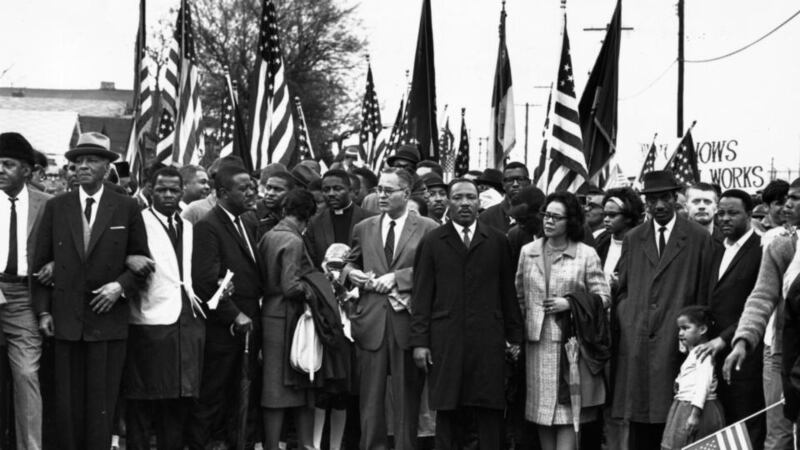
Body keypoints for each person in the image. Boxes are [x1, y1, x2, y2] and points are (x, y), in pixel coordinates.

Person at [33, 132, 152, 450]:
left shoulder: (126, 207)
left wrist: (119, 287)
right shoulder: (57, 206)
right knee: (66, 404)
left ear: (106, 168)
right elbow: (40, 263)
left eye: (92, 160)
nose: (83, 166)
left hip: (107, 320)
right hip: (66, 319)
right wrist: (43, 312)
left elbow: (142, 264)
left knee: (102, 403)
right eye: (78, 161)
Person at [410, 178, 523, 450]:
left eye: (470, 197)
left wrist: (515, 337)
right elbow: (422, 296)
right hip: (447, 340)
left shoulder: (497, 240)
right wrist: (420, 342)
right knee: (449, 411)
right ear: (449, 202)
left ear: (479, 202)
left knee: (488, 412)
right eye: (458, 197)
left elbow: (508, 293)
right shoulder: (433, 241)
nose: (464, 203)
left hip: (488, 340)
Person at [611, 170, 714, 450]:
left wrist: (692, 334)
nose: (658, 205)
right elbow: (623, 289)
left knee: (675, 421)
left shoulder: (698, 237)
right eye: (652, 199)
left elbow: (704, 292)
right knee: (640, 421)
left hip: (678, 341)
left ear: (675, 198)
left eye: (665, 198)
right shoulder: (634, 238)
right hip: (639, 341)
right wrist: (630, 318)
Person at [343, 167, 438, 450]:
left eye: (388, 190)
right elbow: (350, 262)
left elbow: (436, 271)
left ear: (406, 194)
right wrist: (350, 273)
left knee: (407, 398)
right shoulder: (364, 227)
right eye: (378, 190)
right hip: (371, 321)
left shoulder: (428, 228)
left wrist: (399, 277)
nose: (381, 195)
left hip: (407, 321)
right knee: (370, 399)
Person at [515, 191, 610, 450]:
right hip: (536, 343)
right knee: (542, 414)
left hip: (571, 346)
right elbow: (519, 296)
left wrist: (570, 303)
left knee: (568, 413)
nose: (548, 221)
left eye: (556, 217)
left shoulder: (586, 254)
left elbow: (604, 297)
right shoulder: (528, 252)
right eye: (546, 215)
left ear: (571, 221)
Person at [123, 166, 205, 450]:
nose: (168, 195)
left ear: (182, 192)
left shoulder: (187, 226)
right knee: (142, 400)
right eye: (161, 190)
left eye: (174, 190)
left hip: (183, 320)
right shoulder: (139, 222)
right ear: (150, 190)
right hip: (148, 319)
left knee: (175, 401)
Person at [187, 164, 262, 449]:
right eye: (243, 188)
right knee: (212, 394)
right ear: (223, 193)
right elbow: (204, 281)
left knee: (240, 394)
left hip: (248, 324)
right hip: (224, 328)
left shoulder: (247, 221)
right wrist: (235, 314)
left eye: (252, 186)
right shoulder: (208, 226)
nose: (251, 192)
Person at [723, 178, 800, 450]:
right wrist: (743, 340)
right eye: (788, 197)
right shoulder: (783, 245)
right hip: (782, 353)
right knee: (779, 436)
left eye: (796, 198)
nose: (788, 204)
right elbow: (762, 295)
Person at [690, 189, 765, 448]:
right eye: (720, 213)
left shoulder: (761, 249)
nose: (724, 218)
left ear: (749, 214)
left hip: (745, 356)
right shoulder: (716, 249)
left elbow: (755, 306)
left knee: (745, 427)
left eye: (733, 213)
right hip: (712, 356)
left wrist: (725, 338)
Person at [0, 132, 51, 450]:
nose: (0, 170)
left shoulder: (47, 204)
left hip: (23, 297)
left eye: (8, 164)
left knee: (27, 374)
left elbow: (66, 244)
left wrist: (55, 263)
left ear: (27, 170)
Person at [258, 189, 318, 450]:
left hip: (269, 312)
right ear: (308, 216)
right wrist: (314, 289)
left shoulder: (269, 235)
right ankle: (301, 445)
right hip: (289, 317)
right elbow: (291, 286)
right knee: (294, 384)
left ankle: (273, 444)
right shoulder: (294, 241)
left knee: (276, 386)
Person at [660, 306, 725, 450]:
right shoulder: (693, 352)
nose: (680, 333)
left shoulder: (703, 353)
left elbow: (703, 385)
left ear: (702, 329)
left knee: (694, 444)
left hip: (697, 407)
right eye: (679, 329)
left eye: (685, 328)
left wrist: (695, 414)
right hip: (684, 405)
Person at [306, 169, 376, 268]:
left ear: (350, 190)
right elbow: (311, 262)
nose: (331, 194)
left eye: (337, 189)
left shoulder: (371, 219)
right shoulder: (314, 223)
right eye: (326, 190)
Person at [594, 187, 644, 288]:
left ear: (628, 217)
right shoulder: (599, 239)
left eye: (612, 215)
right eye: (605, 214)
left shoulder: (642, 246)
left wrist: (622, 285)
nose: (606, 219)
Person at [479, 162, 530, 233]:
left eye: (520, 179)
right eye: (510, 180)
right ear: (503, 185)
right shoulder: (487, 217)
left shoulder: (540, 214)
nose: (515, 184)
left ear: (529, 182)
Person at [253, 171, 295, 240]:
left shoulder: (293, 216)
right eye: (268, 188)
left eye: (278, 189)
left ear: (290, 193)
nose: (270, 193)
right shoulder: (251, 214)